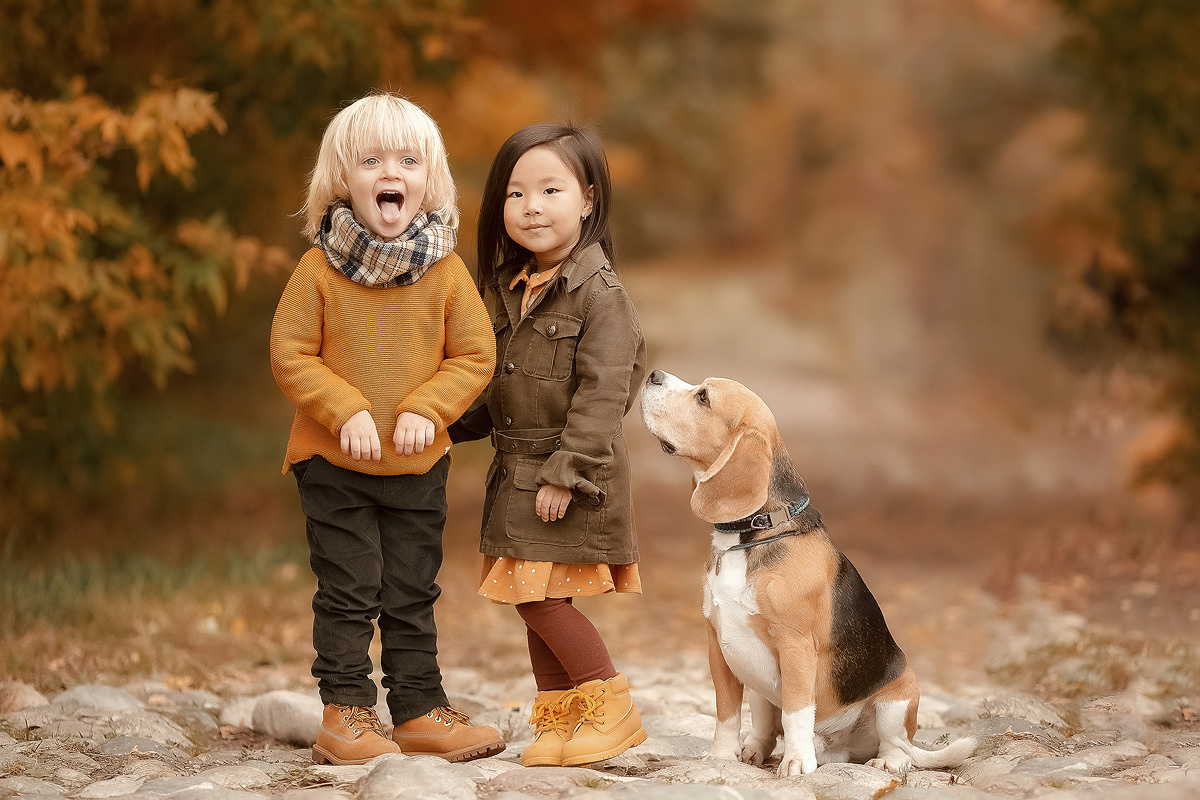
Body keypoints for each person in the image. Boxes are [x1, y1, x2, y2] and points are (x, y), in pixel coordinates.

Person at [270, 91, 504, 766]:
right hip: (332, 466)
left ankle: (419, 709)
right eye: (371, 160)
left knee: (410, 590)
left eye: (408, 160)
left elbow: (475, 354)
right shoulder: (319, 268)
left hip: (416, 467)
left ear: (430, 180)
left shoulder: (446, 271)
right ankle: (345, 712)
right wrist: (344, 409)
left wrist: (428, 408)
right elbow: (291, 353)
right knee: (349, 589)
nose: (390, 172)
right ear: (342, 178)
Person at [450, 123, 648, 767]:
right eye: (516, 194)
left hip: (567, 473)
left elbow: (605, 394)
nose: (531, 207)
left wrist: (566, 471)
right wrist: (442, 425)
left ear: (588, 200)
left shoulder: (601, 295)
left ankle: (609, 705)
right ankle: (562, 719)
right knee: (534, 596)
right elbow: (491, 384)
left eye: (550, 190)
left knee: (536, 597)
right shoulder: (508, 287)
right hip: (515, 473)